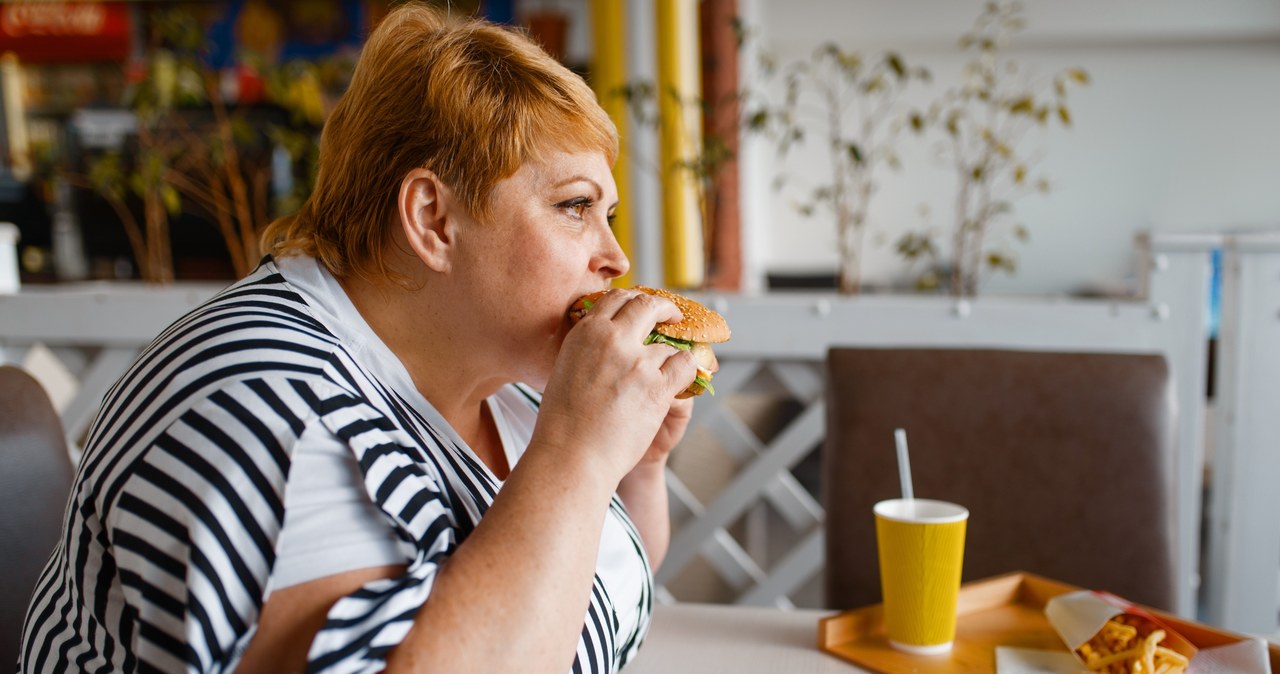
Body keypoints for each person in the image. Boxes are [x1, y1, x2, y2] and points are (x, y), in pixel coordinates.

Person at [19, 5, 699, 673]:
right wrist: (578, 457)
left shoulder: (508, 385)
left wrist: (632, 463)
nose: (617, 258)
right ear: (432, 219)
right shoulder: (266, 400)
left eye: (607, 214)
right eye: (575, 207)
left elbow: (583, 589)